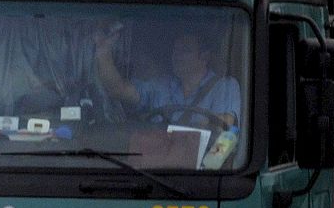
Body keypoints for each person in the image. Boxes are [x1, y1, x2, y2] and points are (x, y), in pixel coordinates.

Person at [94, 24, 242, 129]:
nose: (176, 55)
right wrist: (103, 51)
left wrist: (179, 132)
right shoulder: (161, 85)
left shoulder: (224, 86)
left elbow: (226, 124)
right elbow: (118, 90)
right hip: (157, 162)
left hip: (202, 164)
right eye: (175, 50)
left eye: (185, 50)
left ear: (204, 57)